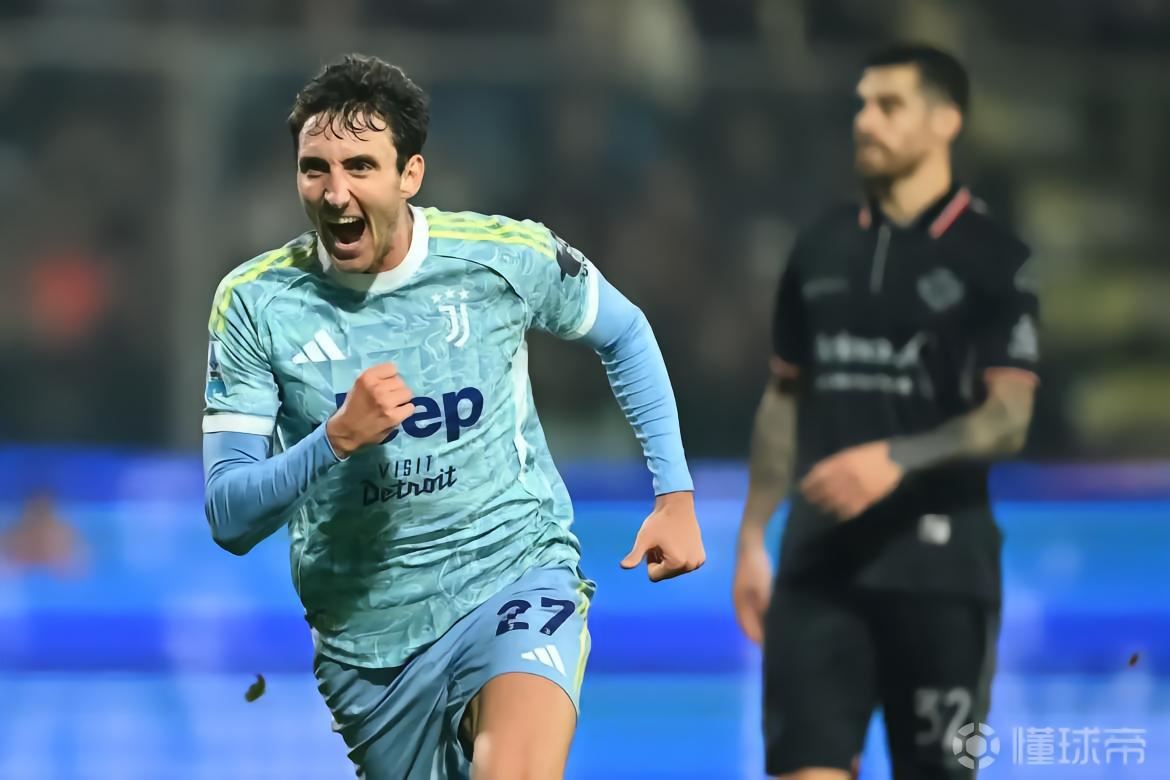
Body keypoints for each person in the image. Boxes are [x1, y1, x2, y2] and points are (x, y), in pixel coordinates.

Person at [201, 53, 705, 780]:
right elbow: (228, 514)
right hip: (368, 647)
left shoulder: (500, 259)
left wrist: (675, 493)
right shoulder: (256, 304)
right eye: (315, 169)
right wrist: (335, 439)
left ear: (410, 174)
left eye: (360, 167)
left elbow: (623, 330)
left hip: (513, 573)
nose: (336, 193)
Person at [732, 44, 1040, 780]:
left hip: (942, 573)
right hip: (818, 569)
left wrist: (896, 459)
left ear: (945, 121)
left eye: (889, 105)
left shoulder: (995, 257)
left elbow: (1009, 418)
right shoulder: (819, 246)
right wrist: (752, 533)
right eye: (862, 105)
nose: (865, 121)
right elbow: (784, 395)